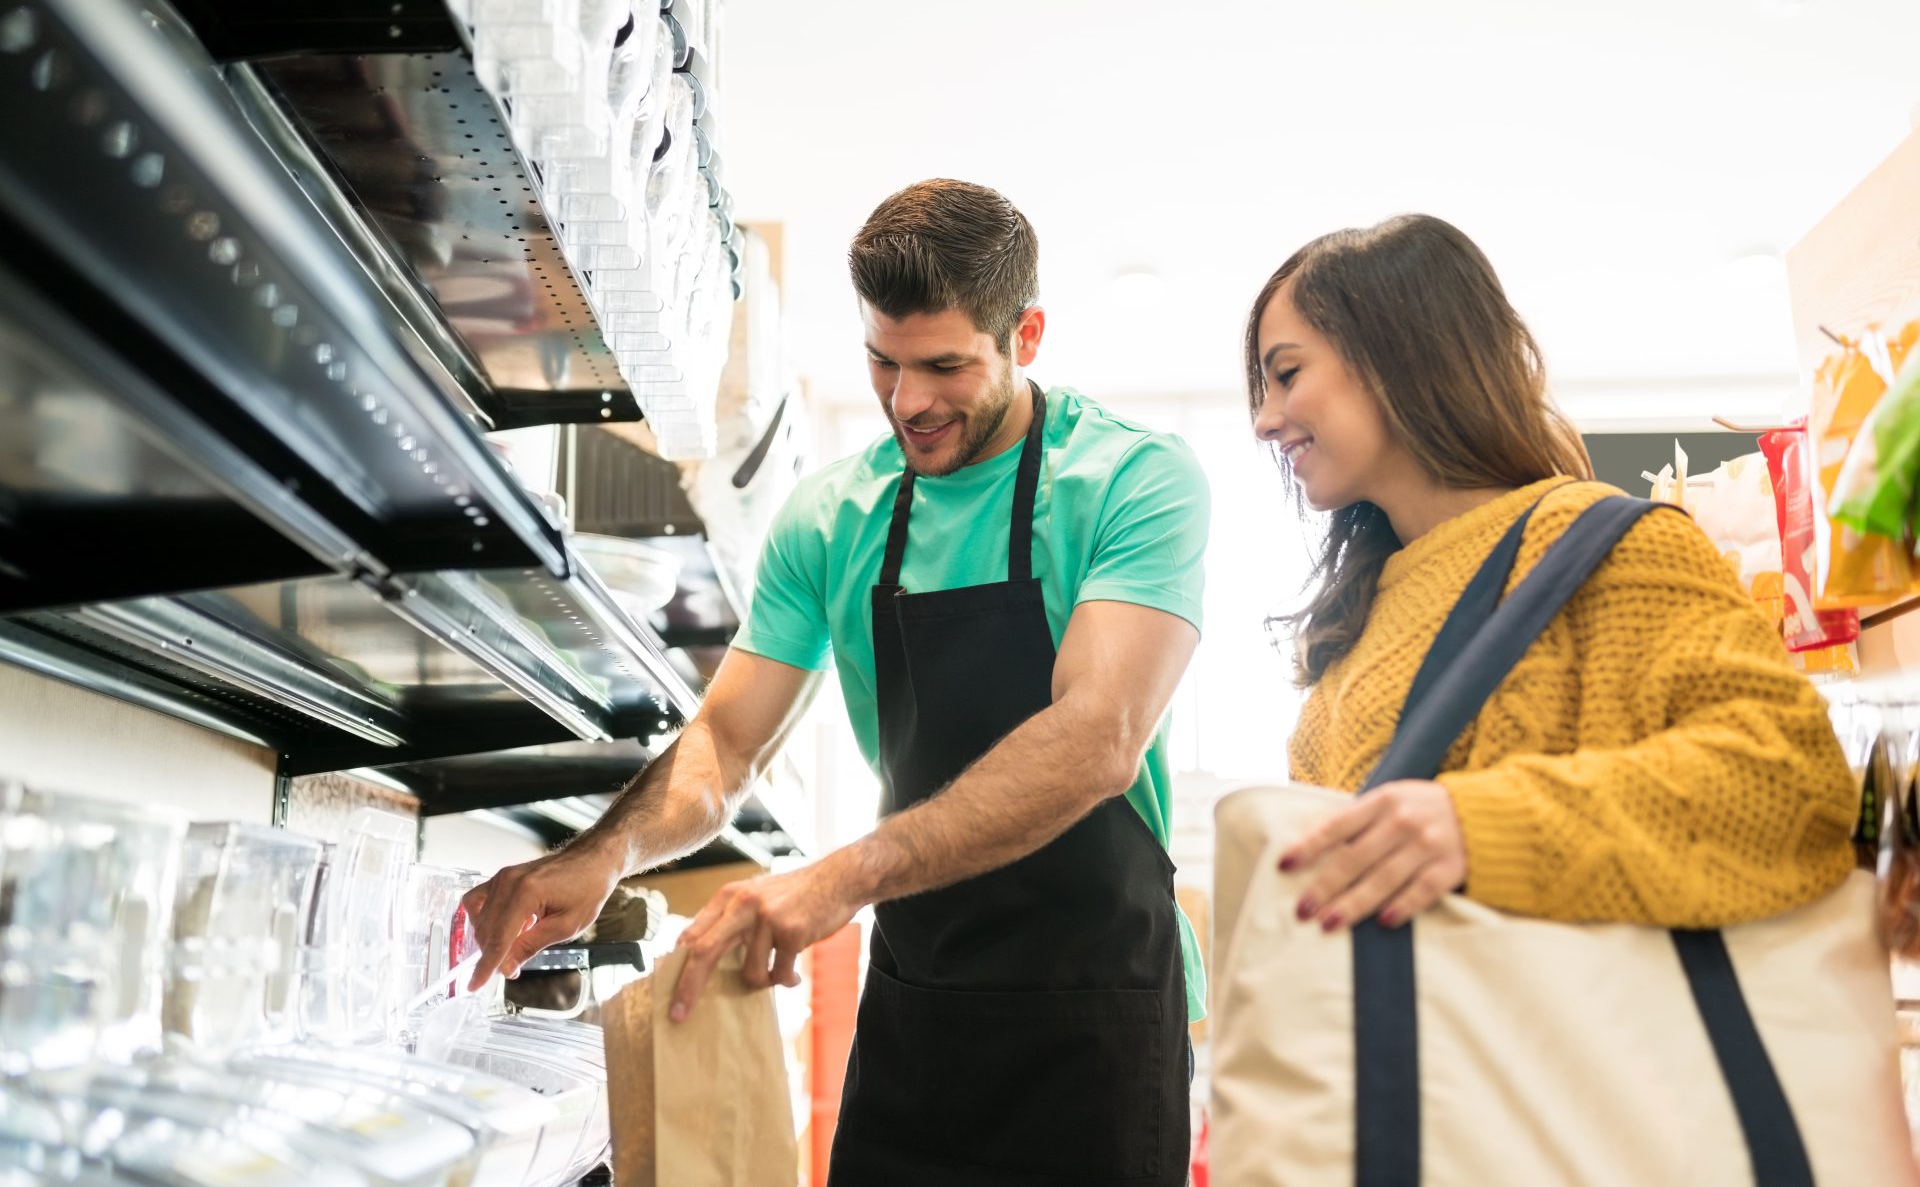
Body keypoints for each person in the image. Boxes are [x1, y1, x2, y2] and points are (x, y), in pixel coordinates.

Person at [463, 178, 1209, 1186]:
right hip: (918, 1014)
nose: (908, 402)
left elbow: (1098, 738)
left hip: (1096, 1020)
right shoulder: (831, 517)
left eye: (944, 366)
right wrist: (606, 854)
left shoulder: (1132, 479)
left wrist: (839, 878)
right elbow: (726, 743)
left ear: (1025, 337)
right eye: (883, 362)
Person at [1243, 213, 1855, 934]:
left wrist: (1481, 829)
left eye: (1288, 374)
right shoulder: (1360, 612)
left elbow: (1796, 783)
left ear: (1396, 357)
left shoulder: (1608, 548)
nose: (1264, 420)